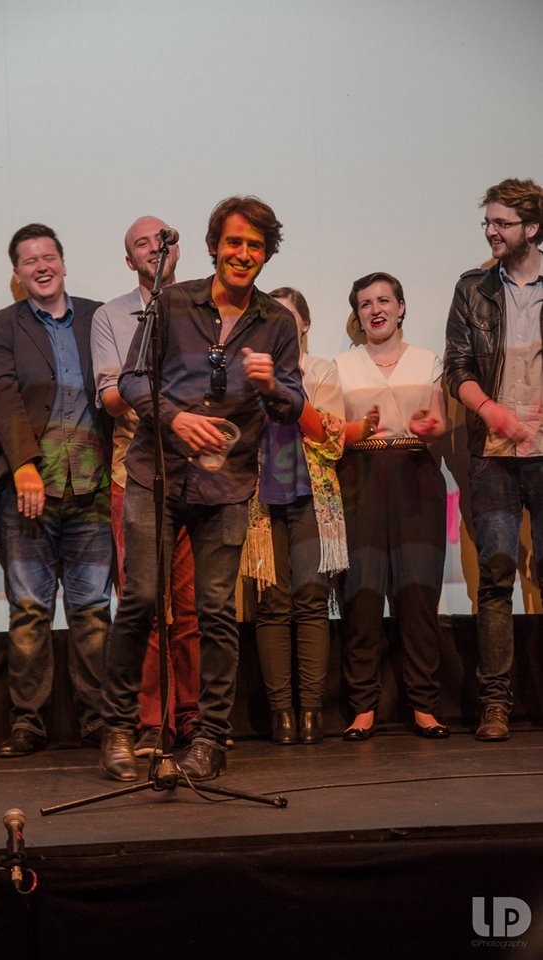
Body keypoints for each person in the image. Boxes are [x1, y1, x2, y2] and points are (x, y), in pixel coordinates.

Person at [99, 195, 304, 782]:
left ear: (266, 254)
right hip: (156, 475)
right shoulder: (174, 303)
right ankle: (119, 729)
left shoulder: (277, 322)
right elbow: (134, 377)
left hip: (229, 482)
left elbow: (294, 405)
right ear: (215, 246)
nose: (243, 254)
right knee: (140, 602)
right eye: (234, 243)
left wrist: (272, 386)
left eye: (256, 246)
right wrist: (172, 418)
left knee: (215, 611)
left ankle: (210, 738)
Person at [0, 223, 113, 757]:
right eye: (29, 260)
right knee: (30, 612)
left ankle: (100, 722)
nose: (41, 266)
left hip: (92, 489)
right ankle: (27, 723)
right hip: (30, 491)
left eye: (48, 256)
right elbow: (1, 395)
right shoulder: (2, 326)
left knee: (93, 612)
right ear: (17, 274)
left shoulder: (98, 316)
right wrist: (25, 466)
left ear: (62, 261)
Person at [91, 216, 200, 757]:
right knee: (145, 603)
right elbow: (111, 396)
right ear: (129, 260)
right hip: (134, 475)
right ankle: (152, 721)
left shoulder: (205, 307)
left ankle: (195, 719)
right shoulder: (111, 315)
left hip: (196, 475)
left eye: (162, 238)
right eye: (141, 243)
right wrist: (153, 396)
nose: (154, 247)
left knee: (192, 604)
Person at [444, 178, 543, 742]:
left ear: (531, 228)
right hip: (496, 454)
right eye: (488, 222)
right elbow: (458, 367)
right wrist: (491, 411)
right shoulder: (474, 289)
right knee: (497, 576)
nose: (491, 231)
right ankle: (496, 703)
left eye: (502, 222)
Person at [332, 272, 448, 741]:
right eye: (365, 304)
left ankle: (423, 705)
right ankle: (362, 708)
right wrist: (357, 429)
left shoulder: (428, 361)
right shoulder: (341, 365)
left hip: (414, 476)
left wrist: (428, 428)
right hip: (359, 477)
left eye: (384, 300)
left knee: (418, 594)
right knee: (360, 594)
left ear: (401, 307)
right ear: (357, 315)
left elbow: (438, 422)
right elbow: (330, 431)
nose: (375, 309)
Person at [241, 287, 347, 745]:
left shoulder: (321, 370)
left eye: (289, 317)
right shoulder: (246, 372)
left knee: (310, 601)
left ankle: (312, 713)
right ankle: (281, 714)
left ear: (304, 323)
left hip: (312, 497)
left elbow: (332, 437)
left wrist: (283, 388)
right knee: (271, 606)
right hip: (262, 500)